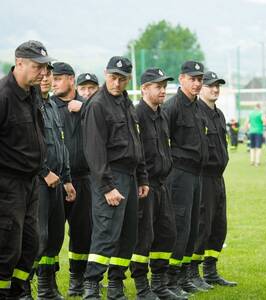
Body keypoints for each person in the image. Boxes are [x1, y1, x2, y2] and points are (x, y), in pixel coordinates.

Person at [82, 56, 149, 300]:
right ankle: (91, 286)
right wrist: (108, 186)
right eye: (113, 77)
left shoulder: (126, 103)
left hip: (130, 177)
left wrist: (142, 177)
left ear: (128, 79)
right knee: (106, 233)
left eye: (122, 79)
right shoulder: (97, 104)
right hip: (110, 177)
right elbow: (94, 151)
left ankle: (116, 285)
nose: (116, 83)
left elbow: (136, 142)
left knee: (128, 235)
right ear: (105, 74)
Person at [0, 40, 51, 299]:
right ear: (19, 62)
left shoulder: (31, 93)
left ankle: (19, 292)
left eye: (44, 67)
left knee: (30, 245)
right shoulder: (4, 95)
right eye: (36, 66)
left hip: (31, 183)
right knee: (6, 247)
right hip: (8, 184)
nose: (43, 73)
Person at [129, 68, 182, 300]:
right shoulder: (137, 115)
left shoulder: (162, 115)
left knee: (166, 233)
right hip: (145, 185)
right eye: (157, 86)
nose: (163, 90)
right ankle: (142, 287)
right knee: (144, 236)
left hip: (163, 184)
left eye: (164, 86)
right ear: (144, 89)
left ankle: (159, 284)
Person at [163, 61, 209, 296]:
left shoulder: (197, 107)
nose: (197, 83)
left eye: (199, 79)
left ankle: (183, 276)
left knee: (192, 226)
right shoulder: (172, 107)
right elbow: (162, 141)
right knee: (179, 227)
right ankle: (170, 280)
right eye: (192, 79)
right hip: (179, 174)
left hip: (196, 174)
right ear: (181, 79)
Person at [191, 71, 237, 290]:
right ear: (202, 88)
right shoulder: (197, 112)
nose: (215, 89)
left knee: (219, 226)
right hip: (203, 177)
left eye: (218, 86)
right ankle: (193, 273)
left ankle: (211, 271)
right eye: (211, 86)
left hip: (219, 177)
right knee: (202, 225)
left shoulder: (218, 114)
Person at [51, 62, 92, 297]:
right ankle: (48, 282)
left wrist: (84, 109)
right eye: (51, 78)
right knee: (51, 234)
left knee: (82, 232)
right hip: (54, 181)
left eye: (57, 78)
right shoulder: (47, 106)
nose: (53, 82)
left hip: (84, 178)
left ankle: (78, 279)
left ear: (70, 79)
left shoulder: (88, 106)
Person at [36, 63, 76, 300]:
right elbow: (25, 147)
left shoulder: (51, 105)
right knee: (37, 237)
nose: (45, 78)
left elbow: (62, 146)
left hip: (58, 183)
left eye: (49, 74)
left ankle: (46, 286)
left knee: (54, 237)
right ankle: (22, 289)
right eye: (42, 73)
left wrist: (68, 179)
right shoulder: (29, 106)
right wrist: (44, 172)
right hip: (39, 182)